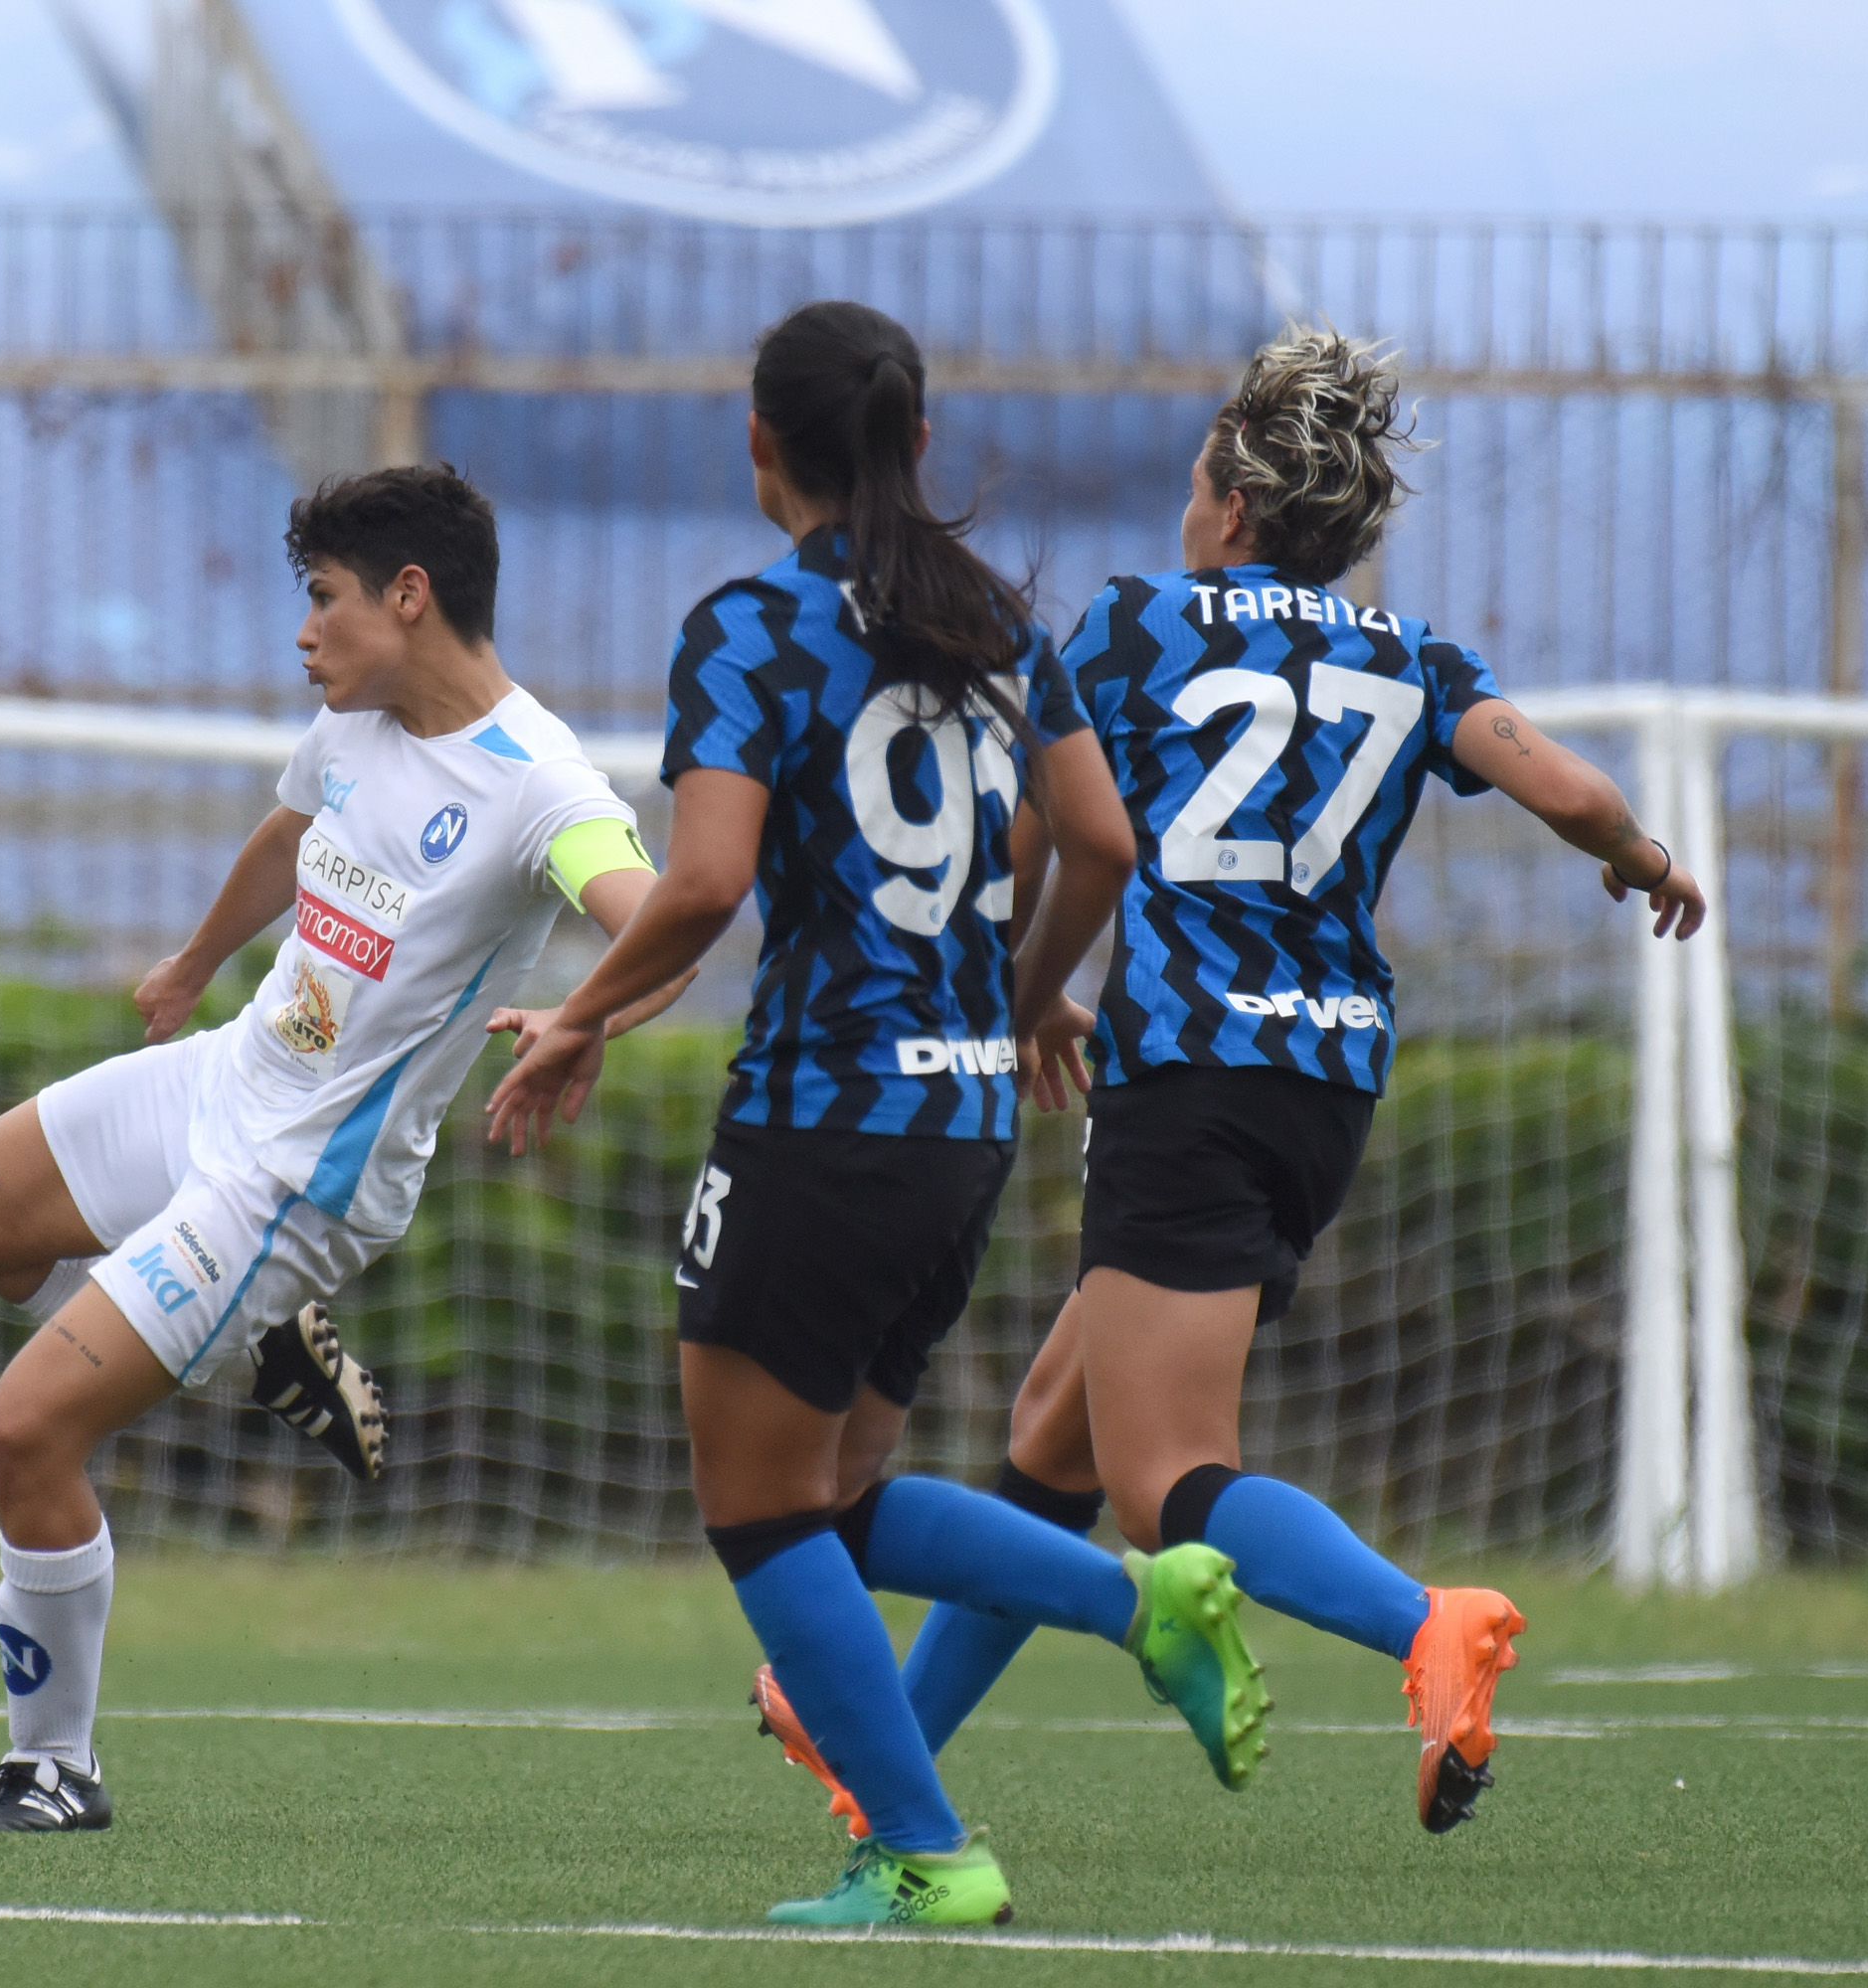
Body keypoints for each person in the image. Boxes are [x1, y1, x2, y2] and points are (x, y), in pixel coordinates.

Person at [879, 326, 1710, 1836]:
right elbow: (1578, 792)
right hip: (1323, 1084)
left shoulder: (1135, 625)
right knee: (1061, 1423)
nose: (1186, 507)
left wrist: (1029, 986)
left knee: (1167, 1486)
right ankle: (880, 1751)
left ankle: (1425, 1623)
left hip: (1189, 1067)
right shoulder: (1413, 658)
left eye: (1198, 482)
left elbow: (1037, 832)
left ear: (1237, 507)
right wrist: (1644, 862)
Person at [488, 301, 1240, 1930]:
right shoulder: (992, 623)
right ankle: (1144, 1608)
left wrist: (579, 1015)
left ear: (761, 443)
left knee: (760, 1511)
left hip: (821, 1118)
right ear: (917, 442)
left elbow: (704, 884)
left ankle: (928, 1852)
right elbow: (1103, 841)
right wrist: (1022, 995)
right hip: (963, 1128)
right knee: (831, 1498)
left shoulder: (749, 630)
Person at [0, 463, 680, 1831]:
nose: (305, 632)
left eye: (324, 599)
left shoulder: (538, 786)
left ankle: (55, 1769)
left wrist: (584, 1019)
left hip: (297, 1183)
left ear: (409, 594)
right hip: (223, 1081)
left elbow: (663, 922)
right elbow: (291, 828)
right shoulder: (356, 721)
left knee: (26, 1430)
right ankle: (255, 1344)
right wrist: (195, 960)